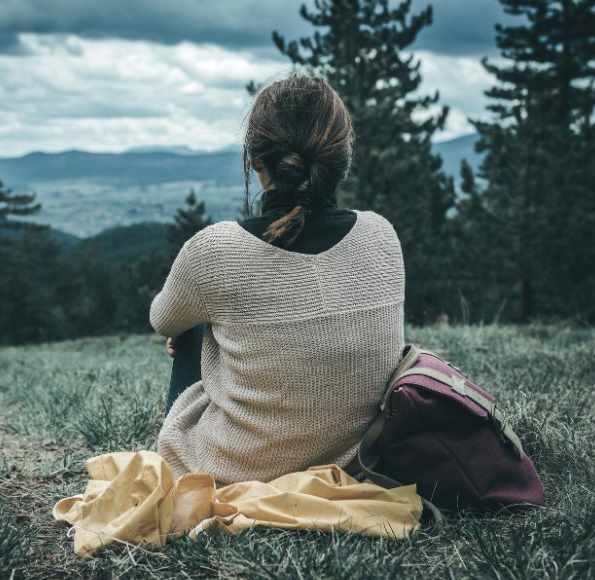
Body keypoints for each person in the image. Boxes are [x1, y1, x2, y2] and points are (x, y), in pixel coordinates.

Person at [150, 73, 405, 486]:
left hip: (235, 471)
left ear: (254, 159)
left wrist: (206, 322)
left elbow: (162, 319)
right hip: (357, 465)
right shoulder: (382, 235)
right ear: (343, 157)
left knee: (189, 324)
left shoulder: (214, 251)